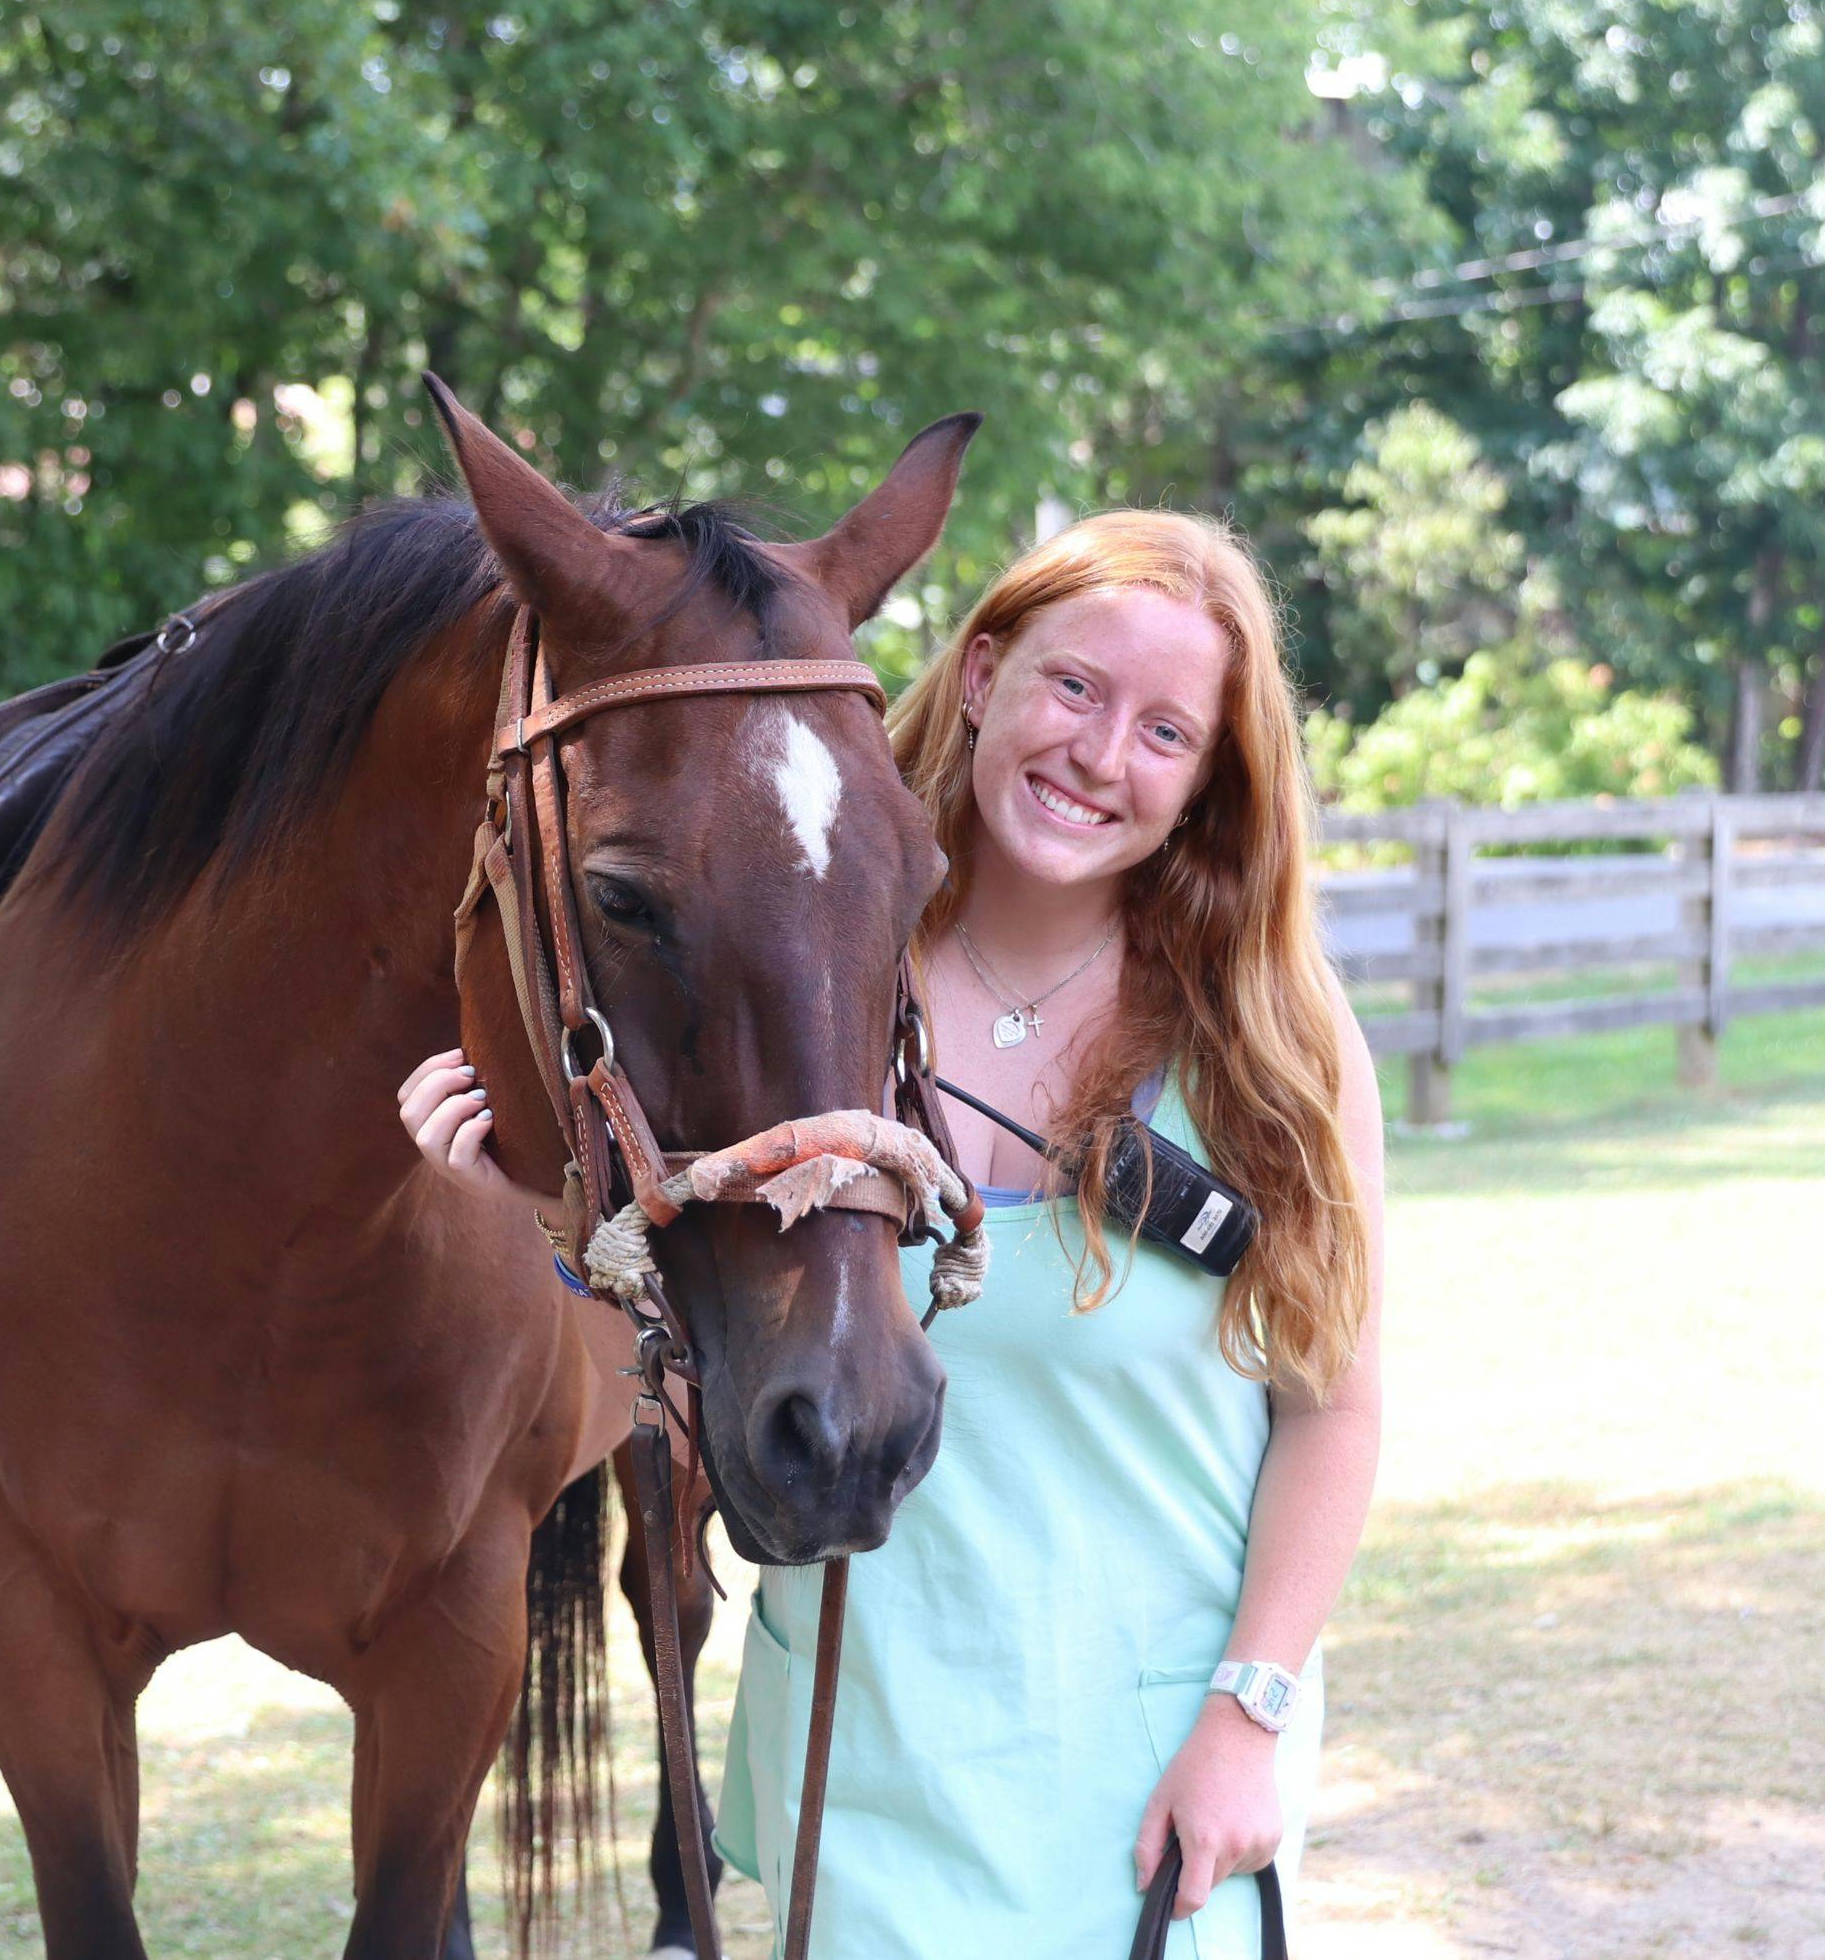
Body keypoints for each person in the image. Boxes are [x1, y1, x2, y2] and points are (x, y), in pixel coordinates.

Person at [399, 508, 1386, 1953]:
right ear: (981, 672)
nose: (1102, 755)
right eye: (1074, 687)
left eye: (1168, 732)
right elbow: (699, 1363)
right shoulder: (815, 989)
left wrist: (1252, 1710)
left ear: (1211, 781)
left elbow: (1339, 1406)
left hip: (1147, 1778)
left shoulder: (1272, 1044)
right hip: (854, 1769)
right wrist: (539, 1208)